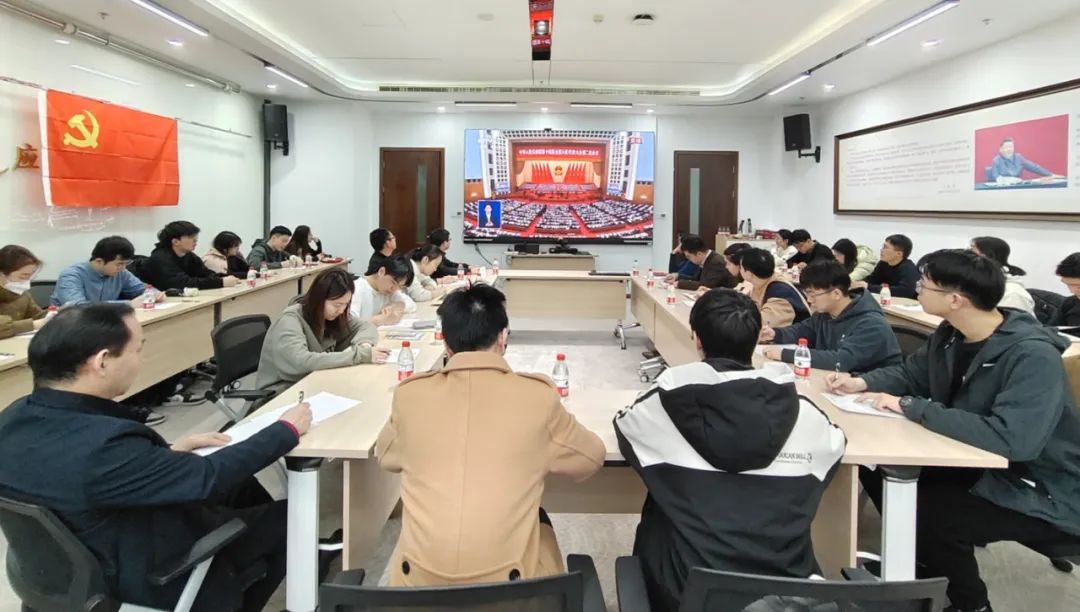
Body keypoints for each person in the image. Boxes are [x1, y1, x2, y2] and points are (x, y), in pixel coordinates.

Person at [0, 303, 313, 611]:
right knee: (291, 517)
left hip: (68, 564)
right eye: (137, 350)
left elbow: (77, 474)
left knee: (241, 486)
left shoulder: (13, 418)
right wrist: (284, 430)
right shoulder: (105, 443)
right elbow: (207, 477)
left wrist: (166, 455)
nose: (140, 360)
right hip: (141, 575)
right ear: (102, 361)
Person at [827, 249, 1080, 612]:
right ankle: (926, 568)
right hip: (975, 460)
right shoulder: (951, 334)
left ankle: (970, 603)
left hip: (1039, 485)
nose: (917, 289)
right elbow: (911, 374)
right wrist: (862, 382)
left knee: (935, 513)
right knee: (876, 470)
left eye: (924, 285)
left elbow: (1014, 440)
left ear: (956, 299)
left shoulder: (1032, 356)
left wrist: (913, 407)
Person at [615, 288, 846, 612]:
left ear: (696, 339)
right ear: (757, 339)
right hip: (786, 597)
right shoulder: (805, 414)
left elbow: (625, 424)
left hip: (687, 595)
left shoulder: (662, 406)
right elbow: (836, 445)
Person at [376, 283, 605, 587]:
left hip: (415, 591)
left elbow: (386, 457)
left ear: (446, 343)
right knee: (540, 525)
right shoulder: (536, 397)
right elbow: (591, 459)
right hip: (515, 594)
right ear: (502, 337)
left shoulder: (410, 396)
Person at [256, 268, 387, 392]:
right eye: (337, 305)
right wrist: (359, 355)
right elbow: (301, 362)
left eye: (345, 305)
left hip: (313, 382)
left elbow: (366, 326)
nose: (341, 310)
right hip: (282, 392)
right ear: (319, 299)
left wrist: (364, 345)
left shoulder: (331, 316)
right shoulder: (290, 321)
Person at [760, 261, 901, 373]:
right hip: (837, 381)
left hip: (873, 391)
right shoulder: (824, 314)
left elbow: (841, 360)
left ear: (836, 294)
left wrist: (785, 354)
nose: (809, 300)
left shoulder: (871, 323)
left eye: (813, 294)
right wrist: (775, 334)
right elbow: (802, 330)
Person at [51, 236, 165, 307]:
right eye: (119, 264)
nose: (123, 268)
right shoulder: (71, 275)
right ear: (99, 261)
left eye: (126, 263)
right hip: (69, 327)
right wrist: (128, 304)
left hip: (103, 323)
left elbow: (141, 289)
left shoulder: (121, 273)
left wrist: (155, 294)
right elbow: (76, 307)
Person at [144, 221, 238, 291]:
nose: (195, 240)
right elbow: (181, 283)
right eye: (191, 237)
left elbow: (205, 273)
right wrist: (220, 282)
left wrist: (225, 278)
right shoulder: (160, 258)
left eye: (195, 236)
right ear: (175, 241)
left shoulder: (188, 255)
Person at [738, 248, 809, 327]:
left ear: (748, 274)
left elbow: (759, 324)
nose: (739, 270)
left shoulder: (780, 294)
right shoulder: (761, 280)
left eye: (740, 267)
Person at [970, 236, 1034, 315]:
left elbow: (1015, 322)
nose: (965, 254)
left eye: (971, 250)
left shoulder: (1012, 294)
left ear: (986, 256)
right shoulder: (978, 283)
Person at [350, 254, 415, 326]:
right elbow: (350, 323)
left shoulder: (389, 291)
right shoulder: (358, 288)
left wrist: (396, 306)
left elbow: (411, 305)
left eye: (400, 287)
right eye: (393, 282)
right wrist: (382, 319)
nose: (394, 289)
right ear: (381, 271)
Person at [0, 245, 46, 340]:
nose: (27, 282)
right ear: (2, 274)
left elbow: (36, 315)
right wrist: (33, 324)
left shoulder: (22, 294)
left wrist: (55, 314)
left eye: (31, 276)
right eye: (23, 276)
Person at [852, 234, 919, 299]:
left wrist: (869, 287)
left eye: (885, 247)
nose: (881, 250)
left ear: (898, 254)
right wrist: (858, 284)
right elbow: (872, 280)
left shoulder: (908, 268)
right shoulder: (883, 263)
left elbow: (905, 291)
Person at [664, 235, 737, 291]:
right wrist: (677, 276)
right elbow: (696, 279)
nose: (689, 259)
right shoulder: (705, 259)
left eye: (689, 256)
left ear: (699, 254)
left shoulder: (716, 262)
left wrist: (680, 283)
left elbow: (706, 285)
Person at [985, 138, 1063, 183]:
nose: (1009, 149)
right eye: (1007, 147)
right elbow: (997, 177)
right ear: (1001, 149)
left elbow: (1034, 167)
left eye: (1011, 147)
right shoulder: (996, 160)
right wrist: (1011, 180)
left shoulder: (1019, 158)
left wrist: (1050, 175)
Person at [1054, 253, 1080, 327]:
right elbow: (1052, 330)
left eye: (1079, 286)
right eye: (1068, 284)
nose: (1072, 291)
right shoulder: (1068, 304)